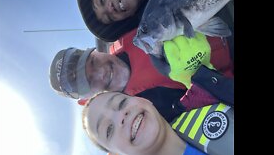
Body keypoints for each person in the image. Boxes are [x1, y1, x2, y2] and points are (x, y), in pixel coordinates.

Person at [76, 0, 234, 78]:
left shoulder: (159, 1)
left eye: (102, 0)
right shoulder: (163, 43)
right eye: (110, 18)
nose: (110, 9)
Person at [49, 47, 234, 122]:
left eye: (92, 62)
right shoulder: (145, 116)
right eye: (90, 81)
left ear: (96, 51)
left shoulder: (132, 29)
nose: (101, 72)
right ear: (89, 98)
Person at [82, 91, 233, 155]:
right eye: (109, 130)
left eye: (121, 103)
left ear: (145, 100)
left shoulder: (212, 99)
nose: (121, 116)